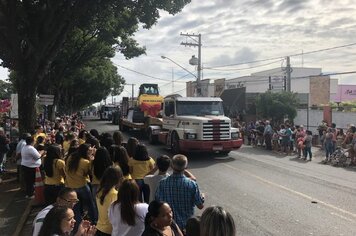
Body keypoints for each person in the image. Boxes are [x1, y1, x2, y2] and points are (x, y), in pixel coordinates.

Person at [155, 154, 204, 231]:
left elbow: (158, 202)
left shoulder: (162, 183)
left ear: (171, 166)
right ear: (186, 167)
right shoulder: (192, 184)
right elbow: (200, 206)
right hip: (187, 227)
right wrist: (202, 197)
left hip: (170, 226)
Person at [65, 143, 97, 227]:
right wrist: (92, 157)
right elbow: (90, 173)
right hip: (82, 186)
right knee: (90, 204)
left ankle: (78, 225)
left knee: (76, 208)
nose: (90, 151)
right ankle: (94, 221)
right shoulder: (85, 162)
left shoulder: (71, 157)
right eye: (89, 150)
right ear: (85, 152)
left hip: (71, 187)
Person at [96, 166, 123, 236]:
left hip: (99, 227)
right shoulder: (114, 194)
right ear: (118, 179)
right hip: (109, 230)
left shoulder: (99, 191)